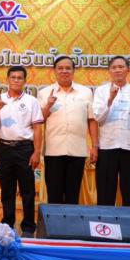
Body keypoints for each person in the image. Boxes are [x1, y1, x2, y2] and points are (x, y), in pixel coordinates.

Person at [93, 55, 130, 212]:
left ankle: (129, 224)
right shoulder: (101, 91)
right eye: (114, 67)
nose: (117, 70)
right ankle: (104, 224)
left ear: (128, 70)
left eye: (121, 67)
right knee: (105, 191)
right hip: (107, 146)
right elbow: (98, 117)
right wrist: (110, 99)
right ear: (109, 71)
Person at [37, 56, 98, 205]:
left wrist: (95, 146)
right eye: (60, 68)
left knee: (73, 196)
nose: (64, 71)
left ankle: (71, 221)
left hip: (77, 151)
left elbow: (92, 120)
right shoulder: (44, 93)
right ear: (54, 71)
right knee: (54, 196)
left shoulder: (86, 92)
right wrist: (48, 106)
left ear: (73, 71)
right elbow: (39, 120)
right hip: (53, 151)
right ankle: (54, 222)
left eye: (68, 68)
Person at [0, 66, 43, 238]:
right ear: (7, 79)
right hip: (4, 148)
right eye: (13, 77)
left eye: (19, 77)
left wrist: (37, 151)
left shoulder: (31, 101)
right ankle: (7, 223)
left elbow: (37, 128)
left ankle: (28, 226)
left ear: (24, 81)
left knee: (27, 189)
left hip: (24, 148)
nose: (16, 80)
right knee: (7, 189)